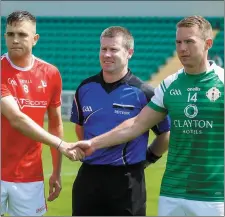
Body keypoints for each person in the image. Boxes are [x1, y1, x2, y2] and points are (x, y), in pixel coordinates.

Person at [74, 16, 224, 216]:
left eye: (189, 41)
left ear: (208, 44)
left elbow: (163, 134)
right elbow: (136, 124)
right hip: (172, 191)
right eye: (178, 42)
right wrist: (93, 144)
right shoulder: (169, 85)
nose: (182, 48)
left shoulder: (221, 82)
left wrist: (148, 158)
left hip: (214, 193)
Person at [70, 26, 171, 216]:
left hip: (127, 180)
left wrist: (148, 159)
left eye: (113, 49)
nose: (107, 54)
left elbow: (165, 134)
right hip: (88, 178)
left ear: (129, 52)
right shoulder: (85, 88)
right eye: (103, 49)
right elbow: (80, 127)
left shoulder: (145, 93)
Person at [1, 10, 84, 216]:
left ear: (35, 39)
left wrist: (56, 171)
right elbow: (16, 119)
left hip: (30, 175)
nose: (15, 40)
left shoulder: (51, 74)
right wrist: (60, 145)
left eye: (22, 34)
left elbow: (56, 124)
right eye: (10, 34)